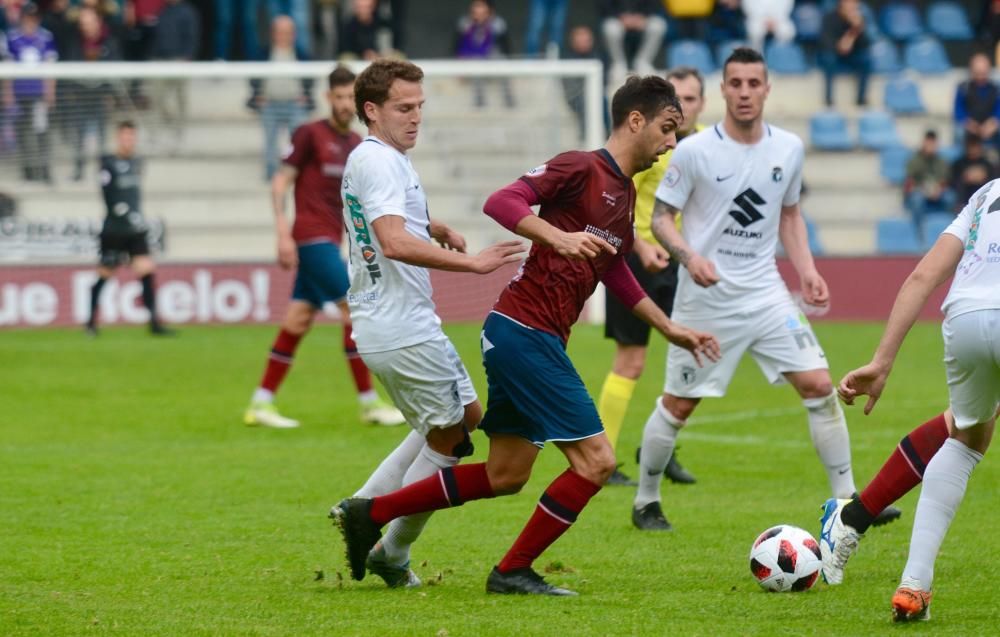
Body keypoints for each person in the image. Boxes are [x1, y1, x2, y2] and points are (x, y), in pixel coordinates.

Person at [333, 74, 720, 596]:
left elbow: (615, 270)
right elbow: (504, 201)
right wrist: (556, 236)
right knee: (598, 462)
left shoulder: (625, 194)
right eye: (668, 128)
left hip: (531, 336)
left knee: (506, 474)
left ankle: (370, 512)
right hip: (523, 332)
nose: (673, 142)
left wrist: (670, 327)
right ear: (636, 121)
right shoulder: (580, 166)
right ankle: (512, 569)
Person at [631, 47, 900, 532]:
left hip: (766, 294)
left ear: (767, 89)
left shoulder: (788, 149)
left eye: (754, 83)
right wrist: (690, 257)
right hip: (705, 300)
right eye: (735, 83)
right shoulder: (693, 151)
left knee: (819, 385)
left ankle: (847, 503)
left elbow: (790, 214)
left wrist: (808, 271)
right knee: (679, 404)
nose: (745, 92)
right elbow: (660, 218)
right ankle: (646, 500)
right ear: (723, 90)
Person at [332, 58, 525, 588]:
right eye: (403, 108)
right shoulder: (378, 162)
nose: (416, 117)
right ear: (371, 111)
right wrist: (475, 262)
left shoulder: (382, 157)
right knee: (450, 437)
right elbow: (391, 240)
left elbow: (385, 221)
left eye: (420, 106)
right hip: (398, 325)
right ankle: (388, 549)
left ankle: (362, 506)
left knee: (466, 417)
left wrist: (434, 226)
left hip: (400, 321)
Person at [831, 178, 1000, 622]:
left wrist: (881, 362)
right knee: (965, 436)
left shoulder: (986, 193)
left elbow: (923, 275)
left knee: (965, 437)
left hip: (965, 316)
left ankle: (912, 582)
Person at [244, 66, 404, 430]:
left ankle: (261, 403)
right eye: (340, 97)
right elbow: (280, 182)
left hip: (333, 240)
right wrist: (282, 233)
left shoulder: (355, 146)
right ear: (328, 98)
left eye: (352, 97)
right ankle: (368, 404)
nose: (346, 104)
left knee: (298, 320)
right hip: (310, 238)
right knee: (355, 310)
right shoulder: (309, 134)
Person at [597, 66, 706, 487]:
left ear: (702, 103)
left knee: (685, 359)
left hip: (685, 261)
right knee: (632, 359)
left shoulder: (711, 144)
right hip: (639, 257)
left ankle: (660, 448)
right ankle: (602, 455)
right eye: (676, 99)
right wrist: (640, 245)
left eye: (691, 99)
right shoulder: (649, 146)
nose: (683, 107)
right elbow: (622, 196)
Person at [86, 121, 172, 336]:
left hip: (135, 230)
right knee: (105, 274)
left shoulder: (137, 162)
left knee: (147, 270)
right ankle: (90, 323)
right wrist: (121, 211)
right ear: (118, 138)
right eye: (125, 136)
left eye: (132, 136)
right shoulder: (108, 163)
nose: (129, 140)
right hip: (114, 229)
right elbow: (106, 194)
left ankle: (154, 324)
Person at [248, 15, 313, 181]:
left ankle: (297, 173)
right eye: (280, 32)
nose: (284, 36)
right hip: (270, 104)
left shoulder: (302, 54)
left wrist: (306, 95)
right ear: (273, 33)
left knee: (299, 139)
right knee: (270, 141)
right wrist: (258, 95)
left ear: (294, 34)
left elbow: (311, 78)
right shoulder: (263, 53)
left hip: (294, 104)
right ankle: (271, 173)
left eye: (288, 32)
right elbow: (252, 76)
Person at [4, 3, 57, 183]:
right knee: (23, 132)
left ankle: (44, 169)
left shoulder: (46, 37)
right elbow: (8, 69)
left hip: (38, 95)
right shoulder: (12, 38)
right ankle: (27, 170)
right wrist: (8, 94)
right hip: (20, 94)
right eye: (27, 18)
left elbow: (51, 67)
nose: (30, 22)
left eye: (34, 18)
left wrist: (50, 92)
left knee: (41, 131)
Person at [150, 0, 200, 153]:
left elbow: (192, 37)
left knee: (181, 100)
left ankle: (179, 135)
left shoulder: (188, 11)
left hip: (180, 60)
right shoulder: (162, 10)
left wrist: (186, 57)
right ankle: (157, 133)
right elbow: (156, 36)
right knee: (157, 98)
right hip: (161, 60)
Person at [453, 0, 514, 109]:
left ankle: (508, 98)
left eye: (482, 10)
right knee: (476, 61)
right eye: (476, 9)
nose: (479, 13)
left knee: (501, 59)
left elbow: (506, 48)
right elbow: (458, 48)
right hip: (471, 61)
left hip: (492, 61)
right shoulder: (465, 24)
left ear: (489, 11)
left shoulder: (497, 24)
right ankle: (479, 100)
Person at [819, 0, 871, 107]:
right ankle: (829, 100)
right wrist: (840, 46)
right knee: (828, 59)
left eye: (854, 3)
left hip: (852, 56)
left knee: (866, 60)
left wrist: (856, 29)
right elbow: (825, 42)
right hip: (834, 54)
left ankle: (861, 100)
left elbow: (865, 44)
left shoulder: (860, 19)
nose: (852, 5)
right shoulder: (830, 17)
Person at [600, 0, 668, 79]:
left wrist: (643, 17)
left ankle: (643, 62)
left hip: (642, 21)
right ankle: (618, 64)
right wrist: (620, 17)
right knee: (611, 28)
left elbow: (655, 5)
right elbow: (605, 6)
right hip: (619, 21)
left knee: (657, 25)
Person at [903, 130, 954, 232]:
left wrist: (938, 190)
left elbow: (945, 180)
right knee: (917, 199)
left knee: (950, 197)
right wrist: (925, 191)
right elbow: (910, 183)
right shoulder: (914, 160)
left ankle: (949, 231)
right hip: (920, 193)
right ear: (924, 143)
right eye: (929, 143)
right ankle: (919, 233)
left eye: (933, 143)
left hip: (937, 194)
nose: (931, 146)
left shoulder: (941, 161)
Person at [953, 52, 1000, 148]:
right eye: (977, 73)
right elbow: (958, 113)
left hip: (989, 127)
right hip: (970, 128)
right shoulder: (963, 88)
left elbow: (998, 111)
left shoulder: (996, 89)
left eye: (983, 73)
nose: (981, 77)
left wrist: (992, 124)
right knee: (958, 131)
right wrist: (971, 126)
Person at [949, 133, 999, 208]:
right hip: (964, 198)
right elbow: (952, 181)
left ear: (980, 147)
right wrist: (965, 178)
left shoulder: (988, 164)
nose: (973, 149)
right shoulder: (958, 164)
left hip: (983, 199)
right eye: (971, 145)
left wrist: (983, 178)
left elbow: (994, 183)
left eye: (975, 145)